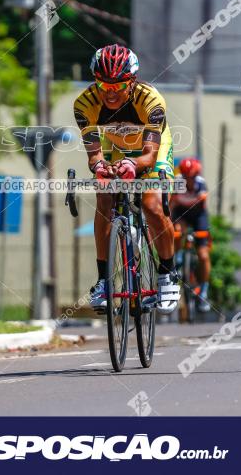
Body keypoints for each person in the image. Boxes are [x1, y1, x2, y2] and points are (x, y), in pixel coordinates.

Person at [74, 43, 180, 314]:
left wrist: (133, 165)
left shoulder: (151, 101)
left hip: (149, 148)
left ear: (131, 82)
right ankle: (103, 281)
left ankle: (167, 274)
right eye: (103, 86)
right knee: (104, 194)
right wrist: (100, 168)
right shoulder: (84, 104)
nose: (110, 94)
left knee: (152, 204)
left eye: (118, 87)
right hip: (115, 145)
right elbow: (94, 156)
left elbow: (149, 155)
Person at [171, 157, 212, 312]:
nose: (189, 180)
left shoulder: (200, 183)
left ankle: (204, 289)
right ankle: (178, 256)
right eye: (186, 176)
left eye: (192, 177)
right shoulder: (177, 183)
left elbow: (203, 201)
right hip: (181, 213)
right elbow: (171, 204)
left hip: (198, 215)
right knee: (177, 231)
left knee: (203, 255)